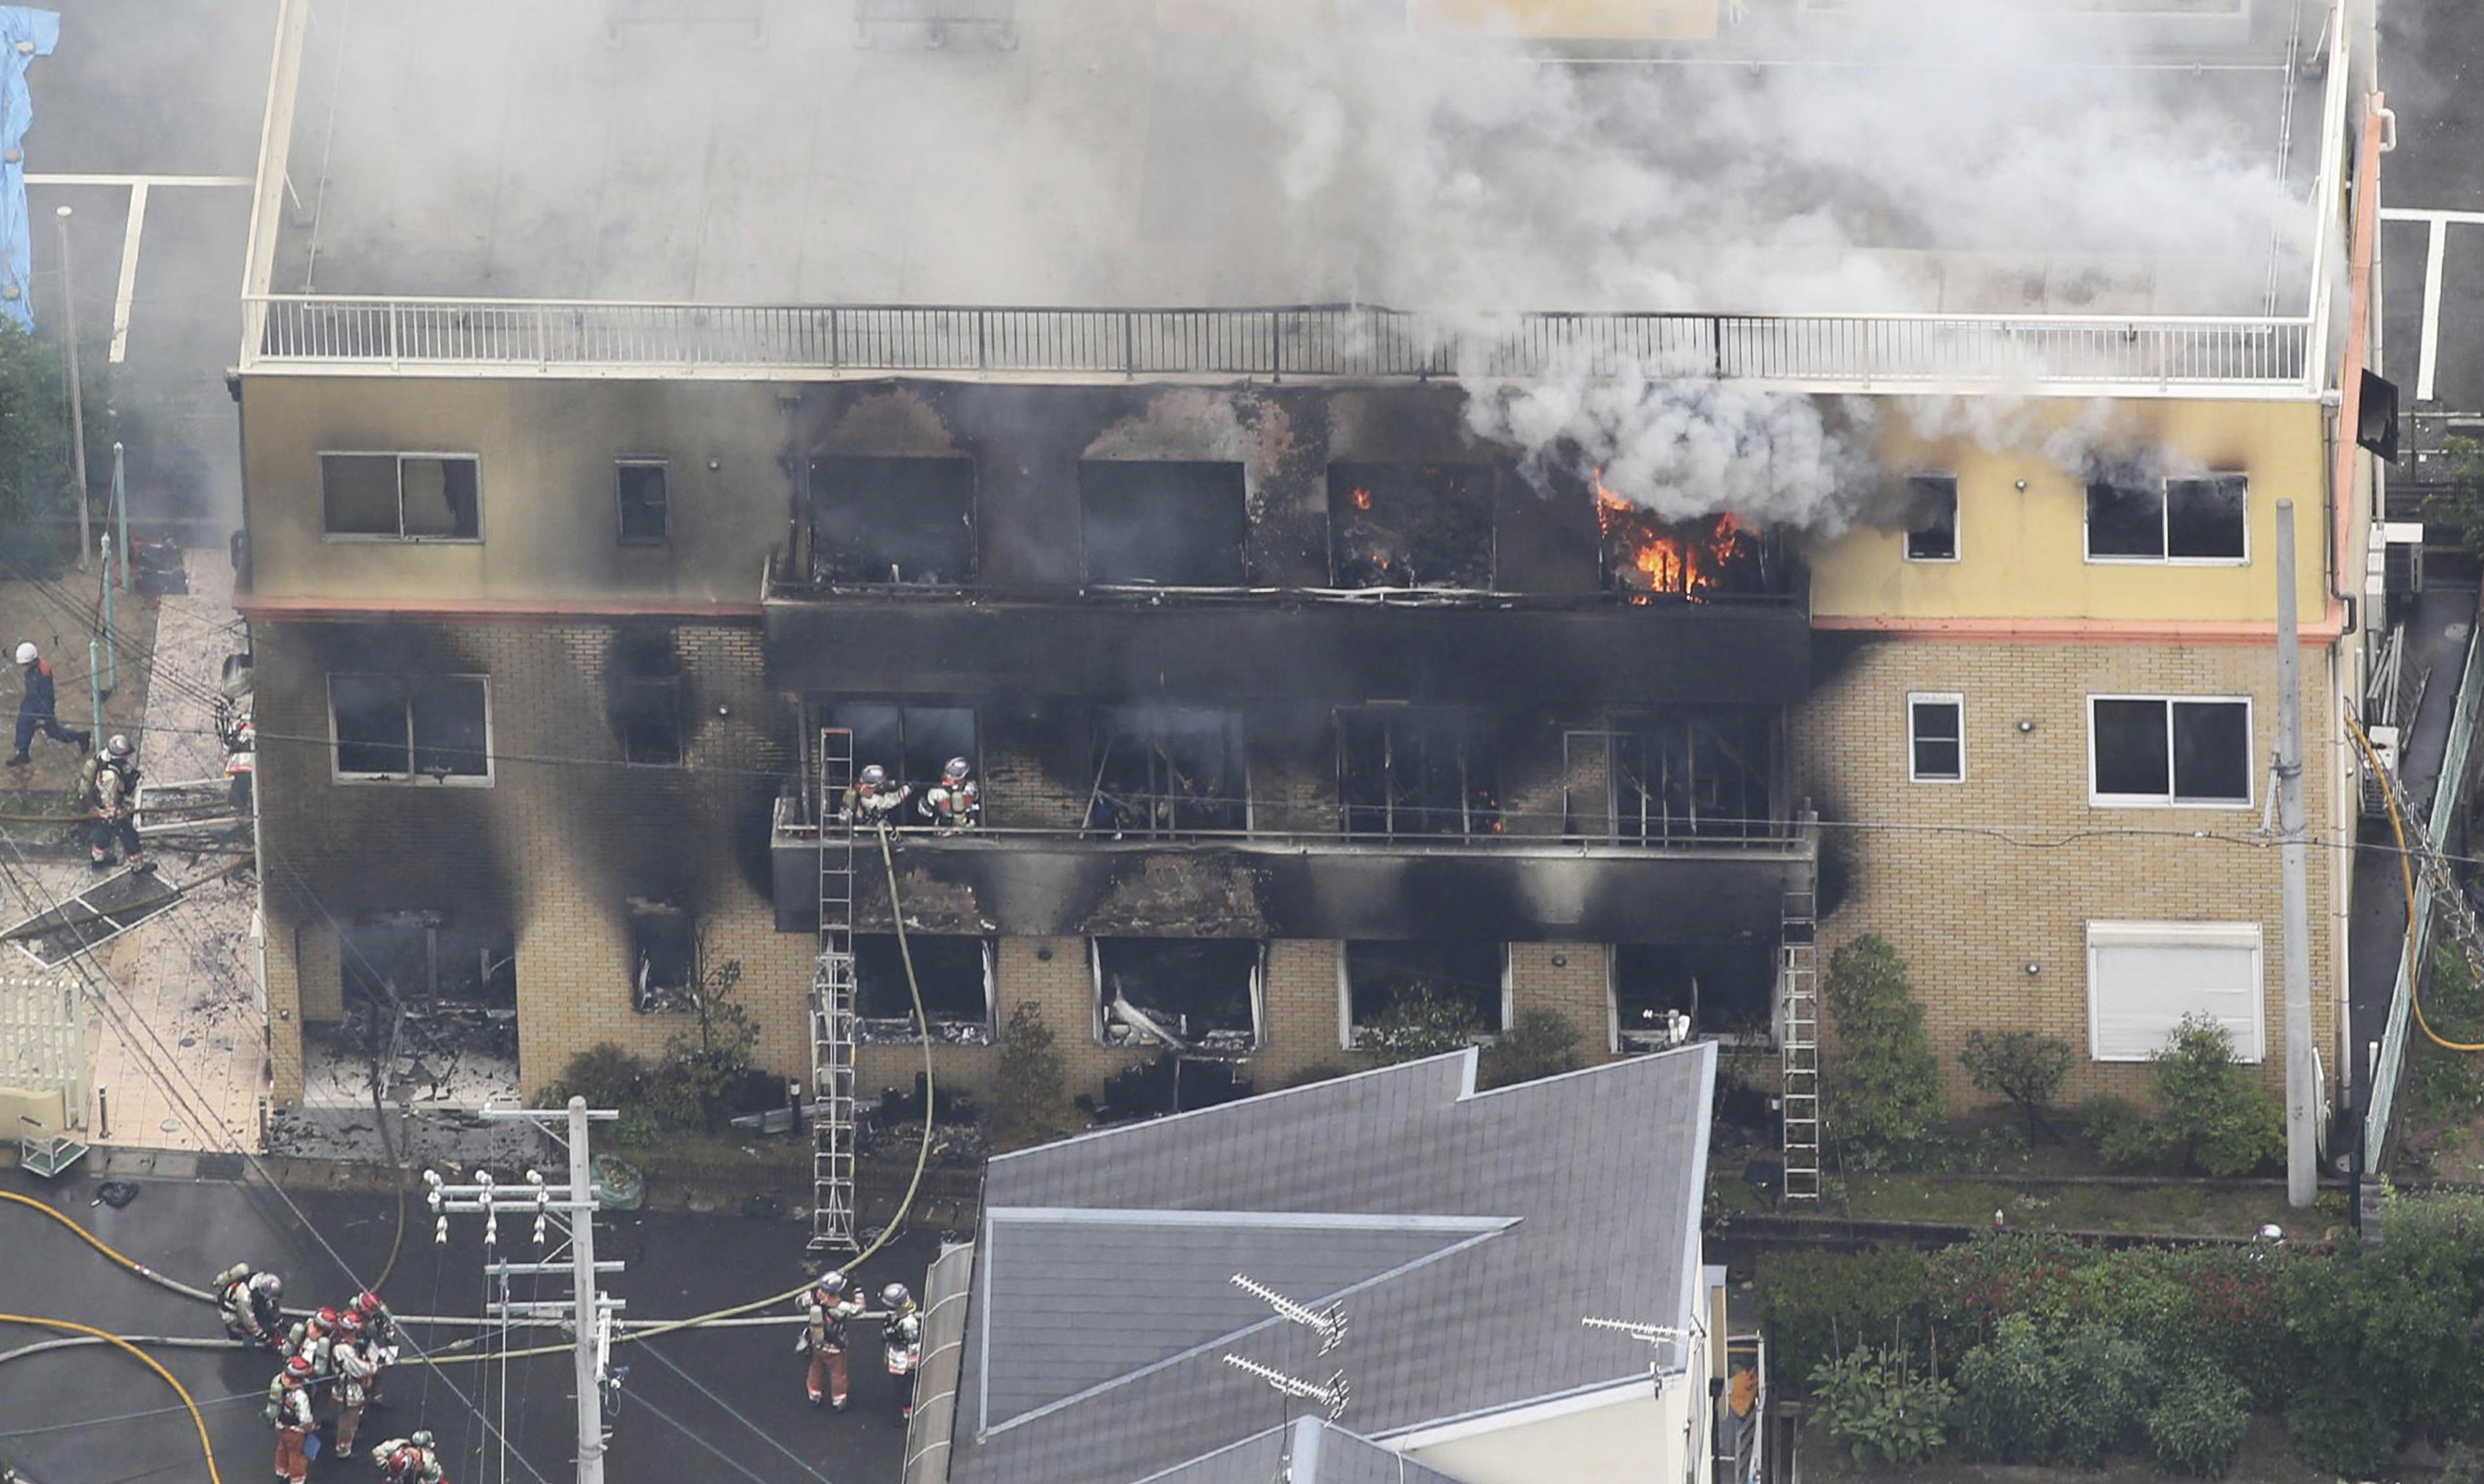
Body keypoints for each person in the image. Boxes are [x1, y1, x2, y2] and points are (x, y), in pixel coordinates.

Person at [8, 641, 88, 767]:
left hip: (41, 707)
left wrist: (45, 716)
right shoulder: (32, 671)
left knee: (54, 731)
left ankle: (80, 737)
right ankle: (23, 753)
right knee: (23, 727)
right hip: (30, 703)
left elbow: (48, 697)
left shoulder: (43, 673)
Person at [798, 1269, 863, 1409]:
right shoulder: (841, 1308)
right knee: (838, 1374)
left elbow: (799, 1304)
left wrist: (809, 1290)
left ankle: (814, 1394)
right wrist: (858, 1289)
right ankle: (838, 1400)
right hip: (836, 1347)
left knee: (815, 1369)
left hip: (817, 1344)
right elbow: (859, 1310)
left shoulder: (812, 1299)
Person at [82, 733, 147, 871]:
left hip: (102, 809)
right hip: (111, 811)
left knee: (103, 834)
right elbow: (110, 797)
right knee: (130, 836)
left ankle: (98, 859)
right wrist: (116, 814)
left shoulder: (102, 757)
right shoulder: (111, 776)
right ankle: (138, 866)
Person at [331, 1319, 375, 1458]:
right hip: (347, 1390)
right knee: (347, 1419)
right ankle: (343, 1448)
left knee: (352, 1417)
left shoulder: (345, 1342)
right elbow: (358, 1370)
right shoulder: (343, 1349)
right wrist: (373, 1366)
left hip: (351, 1387)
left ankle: (349, 1439)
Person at [215, 1263, 285, 1349]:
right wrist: (263, 1337)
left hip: (247, 1303)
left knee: (263, 1311)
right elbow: (248, 1321)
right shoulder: (245, 1298)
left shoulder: (260, 1280)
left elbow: (271, 1303)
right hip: (232, 1310)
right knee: (240, 1325)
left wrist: (278, 1320)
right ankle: (235, 1329)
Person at [270, 1357, 315, 1484]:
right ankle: (297, 1479)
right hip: (296, 1432)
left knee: (282, 1449)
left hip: (281, 1426)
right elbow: (306, 1418)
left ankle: (281, 1472)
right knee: (297, 1456)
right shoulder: (301, 1395)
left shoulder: (278, 1381)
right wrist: (310, 1427)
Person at [882, 1282, 923, 1424]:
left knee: (906, 1388)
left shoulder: (909, 1322)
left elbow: (913, 1344)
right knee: (900, 1388)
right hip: (895, 1355)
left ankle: (909, 1414)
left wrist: (912, 1365)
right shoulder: (893, 1317)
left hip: (905, 1360)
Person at [918, 757, 980, 832]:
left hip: (967, 828)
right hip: (944, 828)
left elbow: (975, 802)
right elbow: (926, 811)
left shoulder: (970, 787)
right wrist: (937, 808)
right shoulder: (936, 792)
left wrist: (965, 802)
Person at [840, 764, 911, 830]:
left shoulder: (856, 790)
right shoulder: (873, 799)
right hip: (867, 835)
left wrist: (891, 784)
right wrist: (908, 787)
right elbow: (896, 798)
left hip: (857, 832)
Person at [372, 1431, 444, 1484]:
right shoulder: (398, 1446)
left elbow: (434, 1478)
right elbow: (377, 1452)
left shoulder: (429, 1466)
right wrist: (387, 1466)